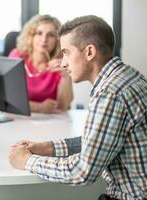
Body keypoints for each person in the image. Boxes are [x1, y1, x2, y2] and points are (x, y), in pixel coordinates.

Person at [9, 15, 147, 200]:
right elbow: (100, 141)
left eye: (66, 52)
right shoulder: (128, 76)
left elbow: (82, 172)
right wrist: (47, 147)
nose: (63, 62)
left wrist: (27, 161)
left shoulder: (110, 93)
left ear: (89, 52)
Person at [8, 14, 73, 113]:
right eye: (39, 33)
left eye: (51, 35)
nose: (44, 39)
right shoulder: (16, 56)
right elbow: (9, 99)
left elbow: (63, 107)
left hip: (50, 122)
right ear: (30, 36)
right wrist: (38, 107)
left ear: (57, 40)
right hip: (19, 117)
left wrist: (66, 77)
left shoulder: (60, 64)